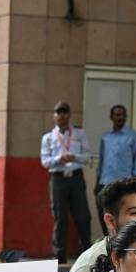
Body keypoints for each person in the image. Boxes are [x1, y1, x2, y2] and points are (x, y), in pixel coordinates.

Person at [41, 101, 92, 263]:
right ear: (54, 115)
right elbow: (45, 161)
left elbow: (87, 156)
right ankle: (59, 255)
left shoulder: (79, 133)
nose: (61, 115)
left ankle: (87, 252)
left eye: (65, 112)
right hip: (58, 179)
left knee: (82, 215)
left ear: (69, 114)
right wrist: (59, 158)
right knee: (59, 217)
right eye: (58, 112)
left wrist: (74, 157)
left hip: (76, 177)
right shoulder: (48, 137)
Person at [95, 104, 136, 233]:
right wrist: (97, 183)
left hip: (124, 185)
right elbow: (101, 161)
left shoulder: (134, 136)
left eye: (123, 115)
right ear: (111, 117)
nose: (121, 117)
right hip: (105, 183)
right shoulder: (105, 137)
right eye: (117, 115)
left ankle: (122, 243)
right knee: (104, 215)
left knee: (123, 216)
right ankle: (108, 243)